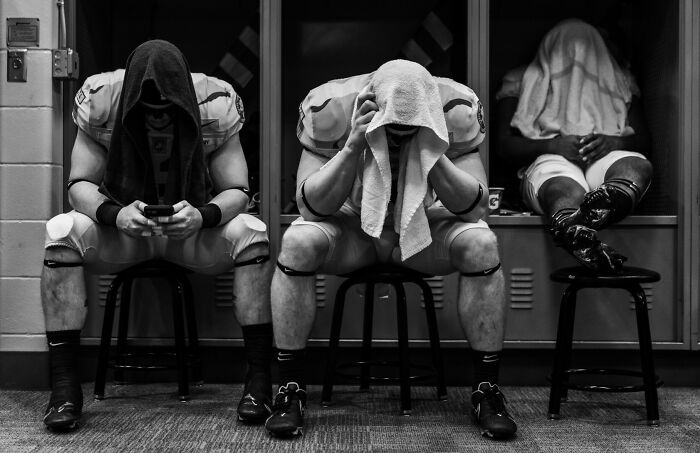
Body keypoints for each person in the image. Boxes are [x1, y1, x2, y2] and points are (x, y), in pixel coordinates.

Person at [265, 59, 517, 440]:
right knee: (297, 240)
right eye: (392, 130)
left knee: (483, 242)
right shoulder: (330, 105)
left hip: (422, 228)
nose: (397, 141)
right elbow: (310, 206)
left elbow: (475, 207)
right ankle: (289, 388)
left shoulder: (455, 107)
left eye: (406, 130)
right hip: (354, 227)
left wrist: (430, 147)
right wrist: (352, 145)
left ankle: (486, 389)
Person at [41, 40, 273, 431]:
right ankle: (64, 387)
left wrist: (203, 215)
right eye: (148, 114)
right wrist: (117, 215)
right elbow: (78, 185)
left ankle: (259, 382)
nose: (158, 122)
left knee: (252, 231)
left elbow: (238, 190)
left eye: (168, 113)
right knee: (61, 231)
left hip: (189, 233)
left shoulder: (215, 102)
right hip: (126, 231)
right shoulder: (104, 99)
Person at [495, 19, 653, 273]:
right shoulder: (522, 78)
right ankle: (574, 228)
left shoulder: (618, 78)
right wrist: (554, 145)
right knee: (561, 186)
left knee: (635, 165)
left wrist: (614, 141)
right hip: (551, 157)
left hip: (603, 156)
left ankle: (603, 207)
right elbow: (503, 147)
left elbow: (644, 141)